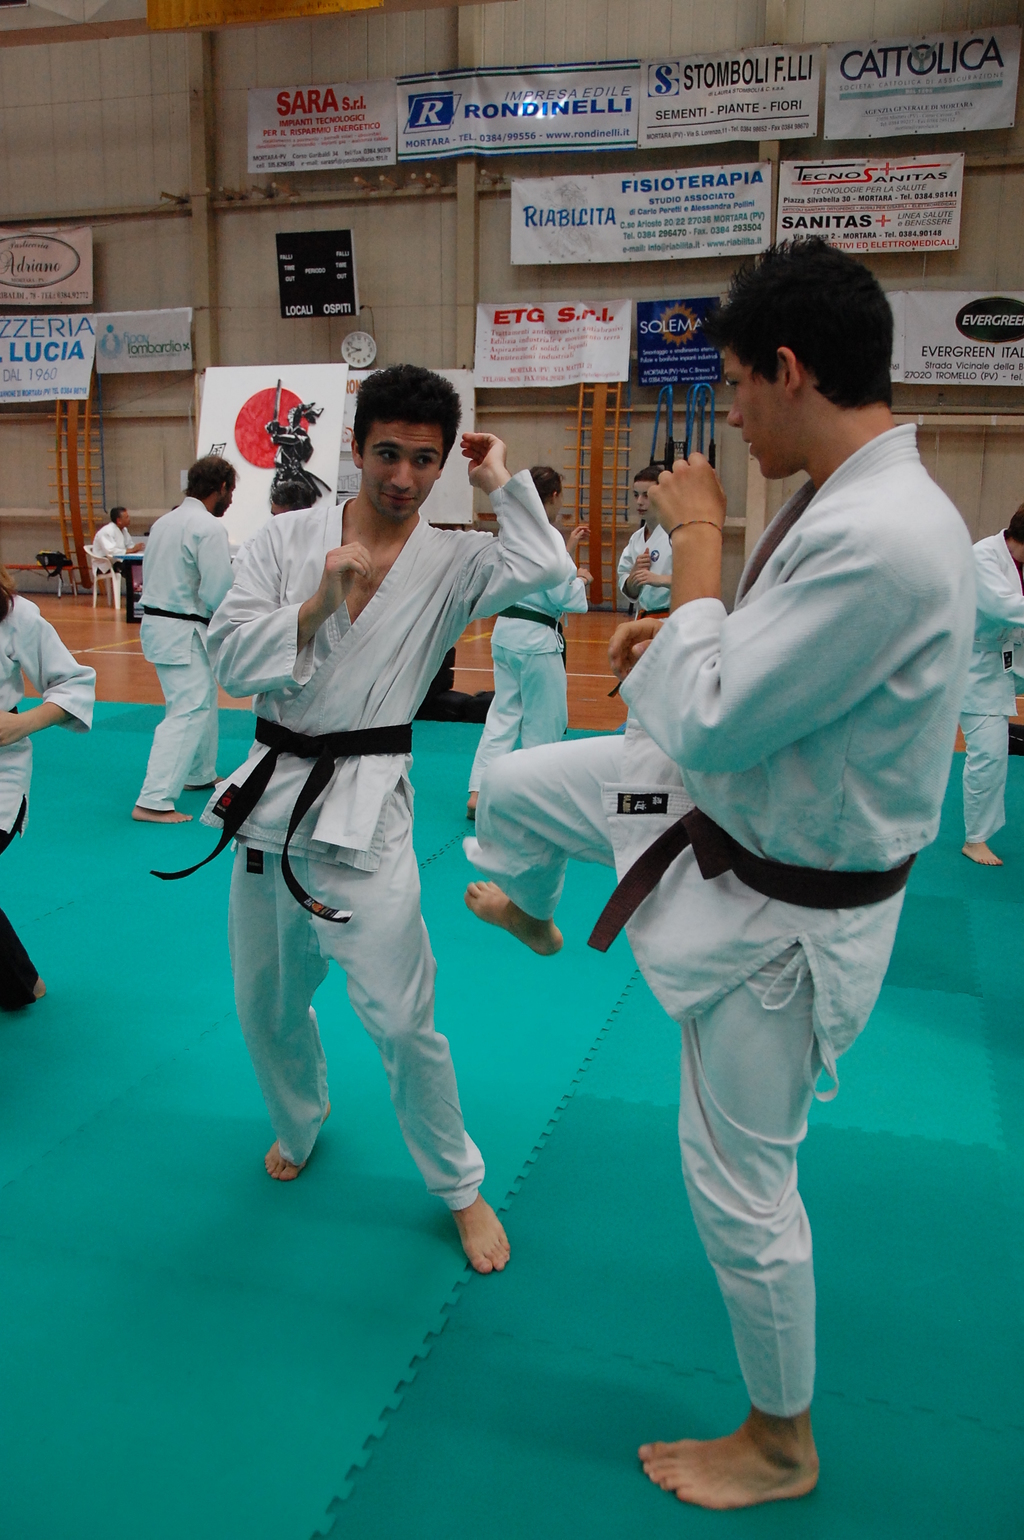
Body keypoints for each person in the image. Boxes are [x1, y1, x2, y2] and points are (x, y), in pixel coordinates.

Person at [463, 239, 975, 1506]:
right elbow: (760, 675)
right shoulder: (850, 497)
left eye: (737, 385)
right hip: (710, 808)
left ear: (788, 369)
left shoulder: (886, 534)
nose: (731, 416)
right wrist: (696, 628)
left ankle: (780, 1441)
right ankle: (534, 906)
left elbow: (714, 716)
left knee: (738, 1186)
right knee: (511, 786)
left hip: (779, 904)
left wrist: (696, 546)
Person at [191, 365, 574, 1274]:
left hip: (369, 808)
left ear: (444, 466)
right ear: (356, 447)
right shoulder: (286, 538)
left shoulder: (458, 559)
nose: (404, 476)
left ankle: (460, 1187)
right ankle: (299, 1118)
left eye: (425, 460)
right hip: (273, 796)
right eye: (389, 453)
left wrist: (502, 483)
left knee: (403, 1019)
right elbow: (230, 659)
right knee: (266, 1002)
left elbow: (552, 577)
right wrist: (318, 605)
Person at [466, 466, 590, 820]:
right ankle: (538, 799)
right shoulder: (547, 535)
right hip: (536, 643)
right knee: (544, 722)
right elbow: (565, 596)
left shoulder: (511, 533)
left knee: (503, 715)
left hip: (506, 633)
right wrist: (581, 579)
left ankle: (479, 791)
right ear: (554, 496)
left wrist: (569, 555)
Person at [0, 566, 94, 1007]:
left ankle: (21, 982)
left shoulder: (15, 615)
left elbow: (74, 683)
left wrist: (21, 724)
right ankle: (19, 982)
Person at [132, 457, 235, 825]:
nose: (231, 500)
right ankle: (153, 799)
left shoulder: (165, 522)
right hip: (182, 628)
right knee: (188, 707)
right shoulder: (208, 527)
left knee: (201, 699)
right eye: (231, 492)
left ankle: (199, 773)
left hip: (162, 625)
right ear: (221, 487)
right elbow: (217, 589)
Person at [959, 504, 1024, 865]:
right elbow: (1004, 607)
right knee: (989, 753)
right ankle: (976, 839)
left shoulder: (1017, 561)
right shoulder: (983, 557)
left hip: (1008, 660)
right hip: (974, 667)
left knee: (992, 751)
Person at [618, 465, 673, 617]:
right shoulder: (636, 539)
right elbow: (628, 587)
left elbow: (695, 582)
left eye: (646, 495)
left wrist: (660, 580)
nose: (639, 502)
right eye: (636, 495)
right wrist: (633, 579)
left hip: (671, 617)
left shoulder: (677, 536)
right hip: (643, 616)